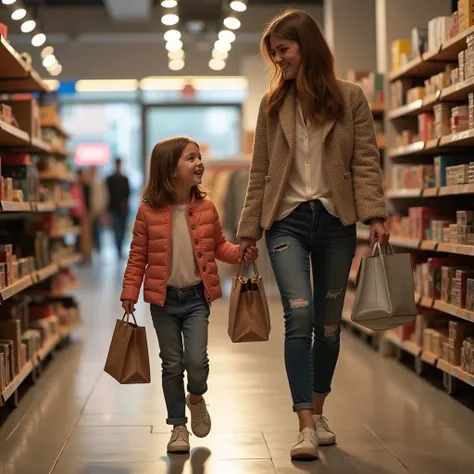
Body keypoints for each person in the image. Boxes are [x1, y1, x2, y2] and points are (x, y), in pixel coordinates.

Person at [237, 9, 389, 461]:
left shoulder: (350, 98)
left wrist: (375, 214)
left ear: (306, 45)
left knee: (328, 325)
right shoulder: (272, 106)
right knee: (298, 317)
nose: (278, 60)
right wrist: (248, 230)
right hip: (287, 222)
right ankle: (304, 423)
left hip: (336, 222)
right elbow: (259, 171)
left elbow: (365, 160)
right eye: (274, 53)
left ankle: (319, 410)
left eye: (283, 50)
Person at [120, 136, 258, 454]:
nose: (199, 163)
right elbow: (137, 256)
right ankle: (178, 426)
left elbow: (219, 246)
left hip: (196, 297)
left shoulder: (207, 209)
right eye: (190, 158)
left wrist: (239, 253)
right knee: (171, 364)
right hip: (162, 300)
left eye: (198, 158)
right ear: (169, 171)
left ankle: (196, 396)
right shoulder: (147, 212)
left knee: (196, 361)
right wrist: (129, 291)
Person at [106, 158, 130, 258]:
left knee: (123, 230)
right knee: (116, 230)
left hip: (124, 209)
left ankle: (120, 248)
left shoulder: (125, 179)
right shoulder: (109, 179)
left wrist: (125, 203)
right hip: (114, 208)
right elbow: (107, 194)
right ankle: (118, 250)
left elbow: (128, 193)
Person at [88, 166, 107, 254]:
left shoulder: (100, 183)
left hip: (98, 210)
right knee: (90, 231)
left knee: (98, 230)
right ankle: (91, 248)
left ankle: (98, 249)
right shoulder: (88, 183)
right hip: (90, 211)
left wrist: (101, 209)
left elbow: (103, 196)